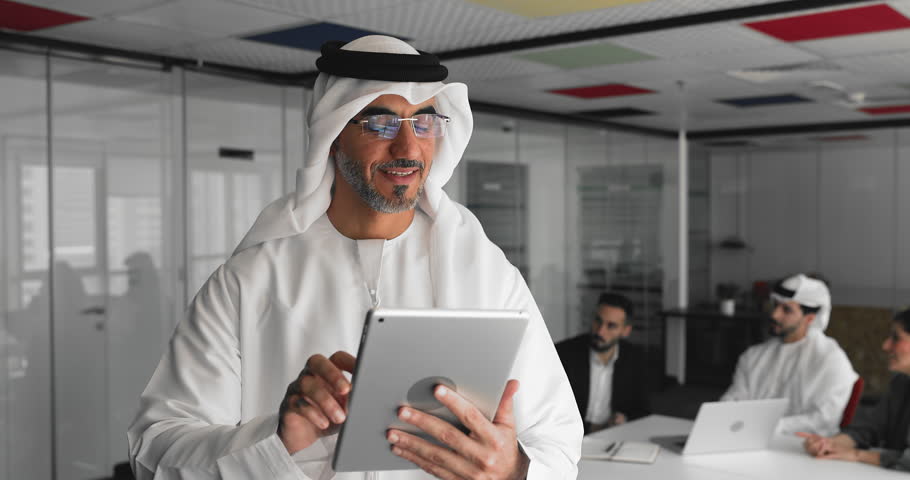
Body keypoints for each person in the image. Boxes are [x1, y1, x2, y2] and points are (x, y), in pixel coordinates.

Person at [128, 35, 582, 480]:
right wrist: (275, 440)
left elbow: (558, 440)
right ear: (333, 135)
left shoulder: (486, 273)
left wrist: (513, 470)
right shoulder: (251, 280)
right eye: (380, 123)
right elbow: (156, 450)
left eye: (423, 122)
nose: (407, 148)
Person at [720, 273, 858, 436]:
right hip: (746, 439)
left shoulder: (831, 360)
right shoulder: (753, 356)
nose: (774, 315)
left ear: (810, 318)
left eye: (786, 310)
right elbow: (733, 401)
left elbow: (823, 420)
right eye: (776, 305)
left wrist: (768, 427)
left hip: (803, 451)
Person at [799, 308, 910, 471]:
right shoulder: (900, 383)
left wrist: (857, 455)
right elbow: (870, 428)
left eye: (896, 338)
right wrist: (831, 444)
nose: (885, 346)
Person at [555, 292, 650, 434]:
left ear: (625, 331)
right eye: (598, 321)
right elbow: (552, 411)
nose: (600, 331)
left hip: (616, 437)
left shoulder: (634, 358)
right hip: (570, 437)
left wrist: (624, 419)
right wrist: (594, 428)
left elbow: (643, 410)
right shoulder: (564, 353)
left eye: (611, 326)